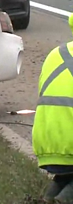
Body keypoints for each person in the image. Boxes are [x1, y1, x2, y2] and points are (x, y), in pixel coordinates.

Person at [32, 13, 73, 204]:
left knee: (66, 175)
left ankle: (48, 198)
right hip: (70, 144)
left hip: (46, 141)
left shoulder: (57, 53)